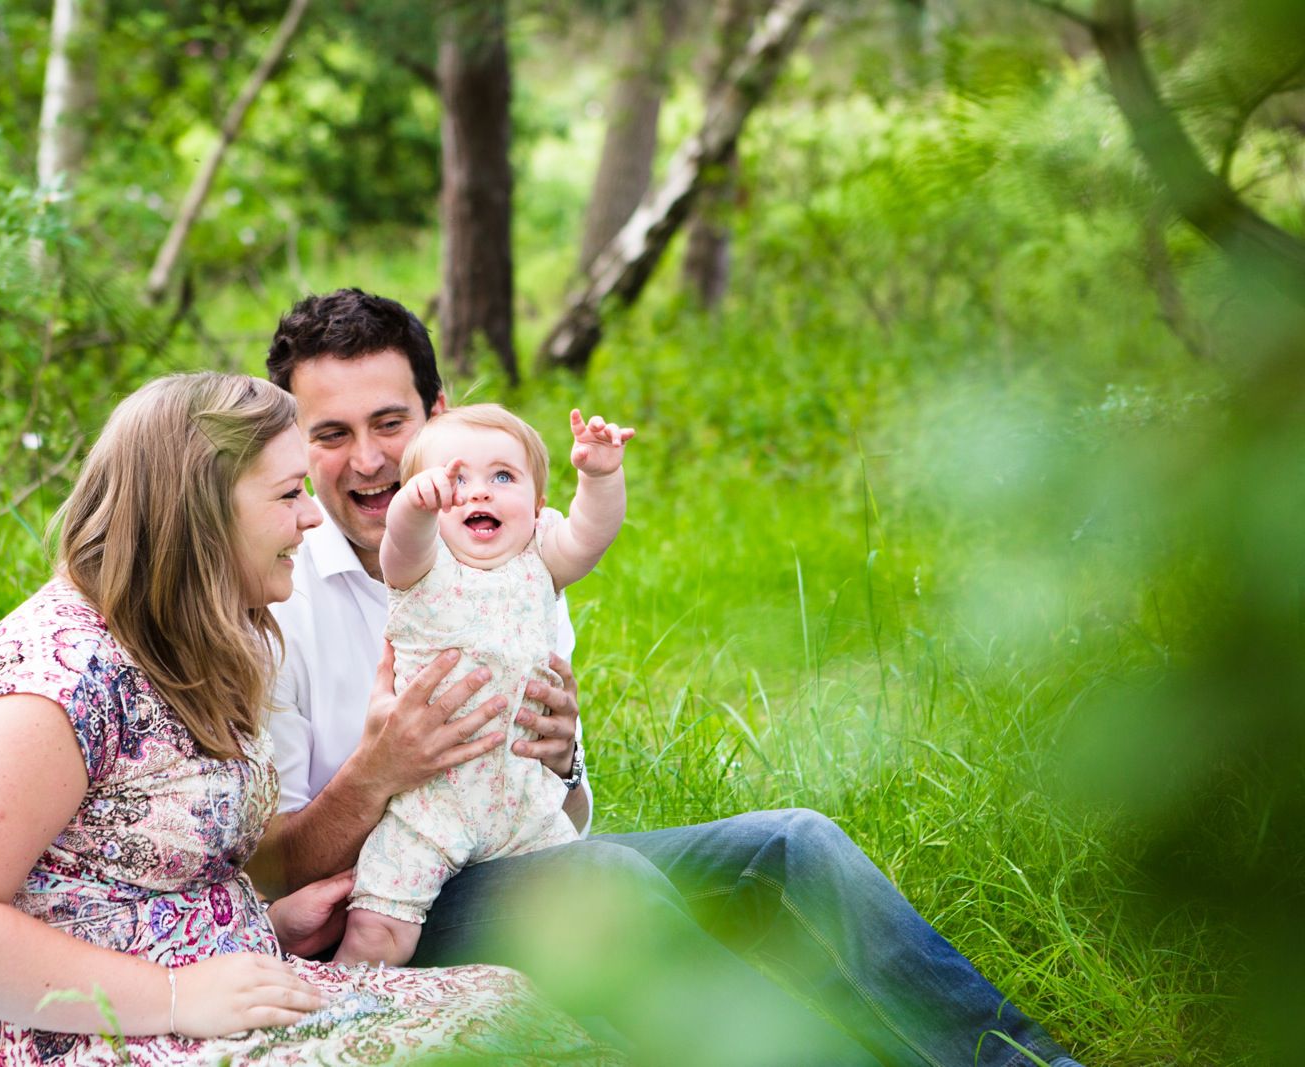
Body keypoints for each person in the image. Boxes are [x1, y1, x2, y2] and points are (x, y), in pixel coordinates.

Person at [263, 288, 1086, 1067]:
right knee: (604, 884)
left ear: (440, 417)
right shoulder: (276, 598)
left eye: (389, 422)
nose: (368, 459)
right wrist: (377, 772)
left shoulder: (516, 557)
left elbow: (571, 809)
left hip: (523, 847)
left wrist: (562, 758)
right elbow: (265, 869)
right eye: (330, 433)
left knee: (792, 842)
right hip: (391, 904)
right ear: (298, 446)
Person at [0, 373, 617, 1065]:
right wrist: (176, 994)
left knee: (515, 1008)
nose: (310, 515)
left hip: (230, 983)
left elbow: (179, 859)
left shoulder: (190, 637)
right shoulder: (57, 679)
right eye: (290, 492)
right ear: (200, 509)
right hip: (75, 1033)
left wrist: (271, 922)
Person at [336, 404, 634, 966]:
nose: (479, 493)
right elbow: (399, 541)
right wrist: (414, 505)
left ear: (538, 505)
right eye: (456, 478)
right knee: (378, 930)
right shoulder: (422, 567)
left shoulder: (540, 559)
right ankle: (335, 1017)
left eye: (503, 477)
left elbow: (592, 536)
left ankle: (571, 1018)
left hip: (525, 802)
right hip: (432, 804)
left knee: (583, 914)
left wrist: (599, 476)